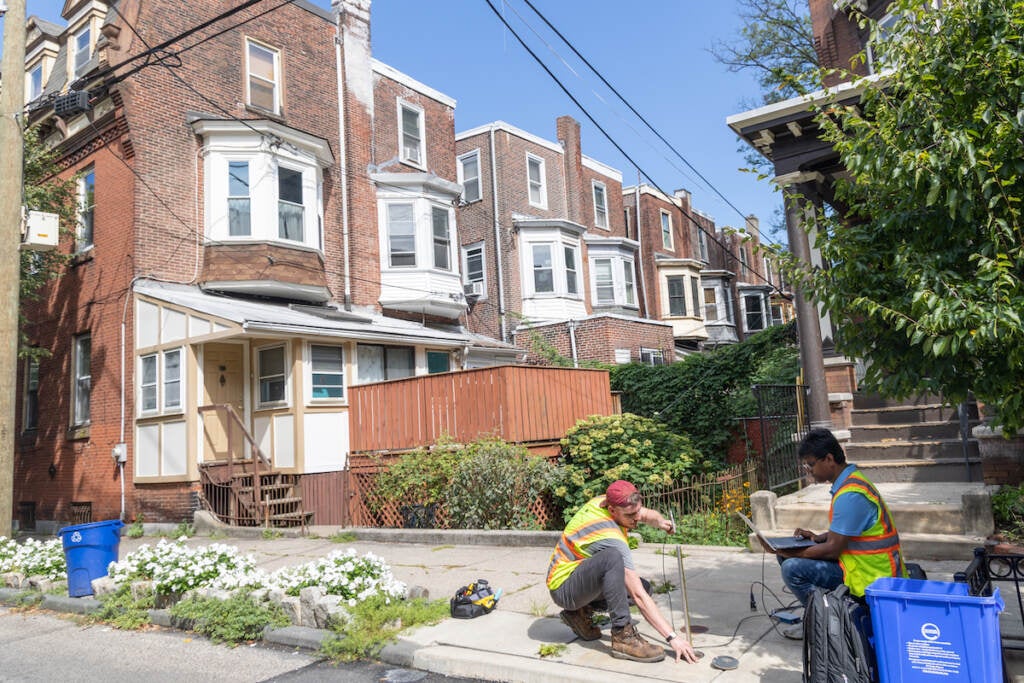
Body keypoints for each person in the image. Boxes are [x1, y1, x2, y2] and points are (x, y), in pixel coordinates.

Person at [764, 428, 906, 638]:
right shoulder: (849, 483)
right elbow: (848, 534)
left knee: (792, 568)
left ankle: (825, 625)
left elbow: (832, 550)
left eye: (811, 464)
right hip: (858, 565)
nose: (809, 470)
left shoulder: (851, 494)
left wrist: (793, 553)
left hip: (870, 576)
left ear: (829, 459)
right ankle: (819, 614)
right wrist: (816, 537)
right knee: (784, 556)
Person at [546, 479, 699, 664]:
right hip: (563, 588)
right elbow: (638, 596)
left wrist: (660, 522)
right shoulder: (609, 535)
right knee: (613, 560)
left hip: (580, 581)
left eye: (637, 512)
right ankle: (622, 636)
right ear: (612, 510)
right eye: (630, 515)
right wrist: (673, 638)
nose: (636, 519)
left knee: (645, 587)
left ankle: (579, 613)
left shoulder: (604, 501)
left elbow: (644, 513)